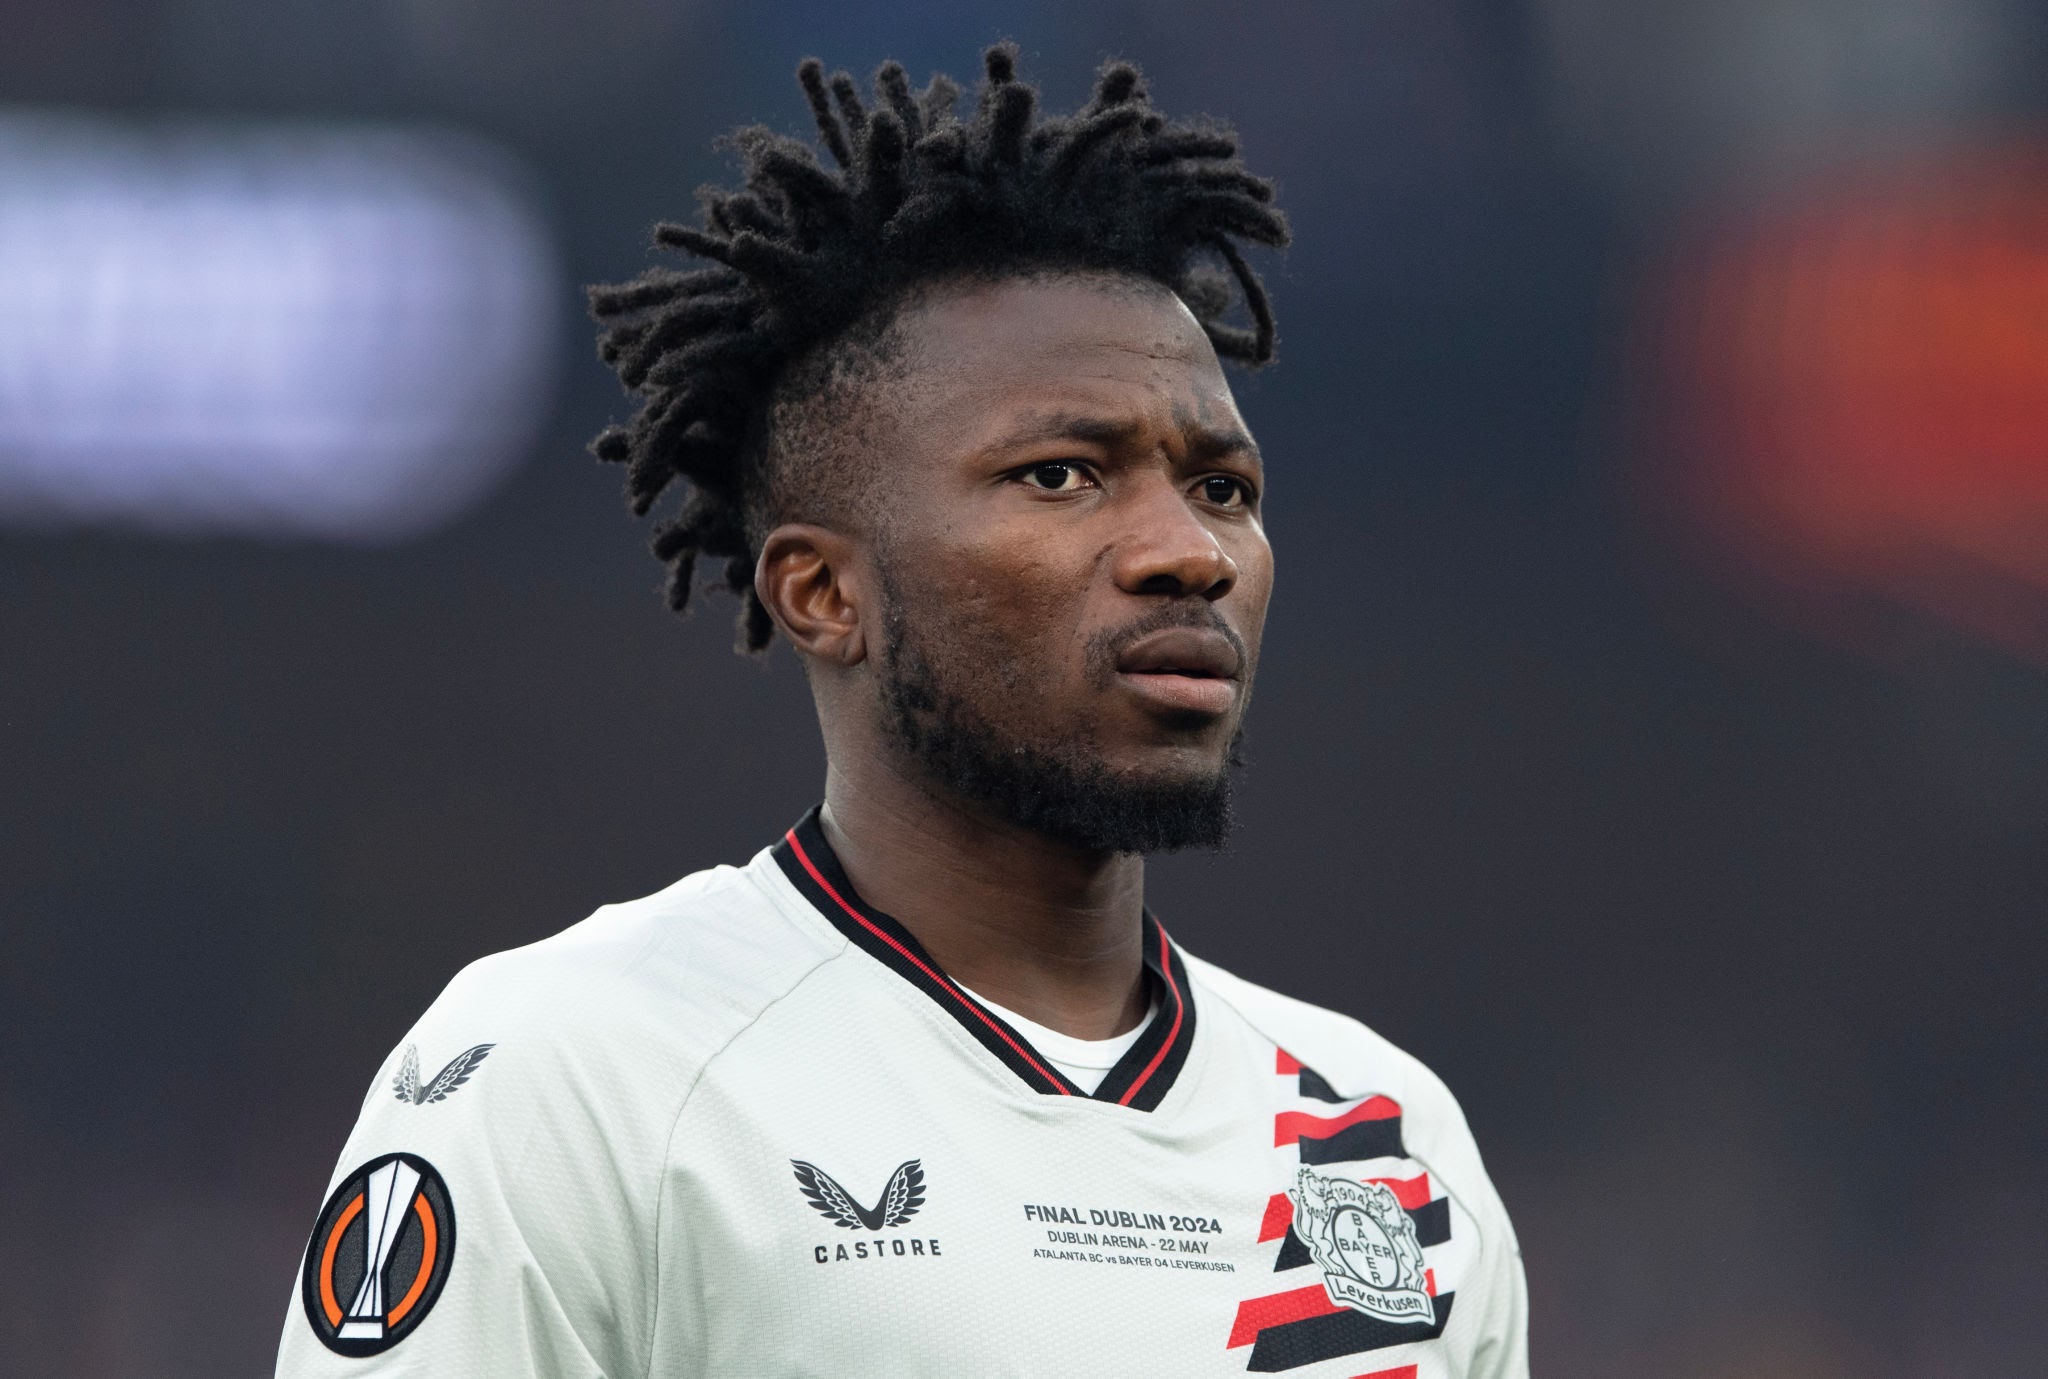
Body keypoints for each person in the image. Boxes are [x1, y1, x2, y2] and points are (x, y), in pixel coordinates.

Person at [277, 46, 1528, 1378]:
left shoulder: (1385, 1140)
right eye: (1061, 474)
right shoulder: (579, 1073)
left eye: (1221, 487)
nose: (1189, 552)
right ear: (822, 592)